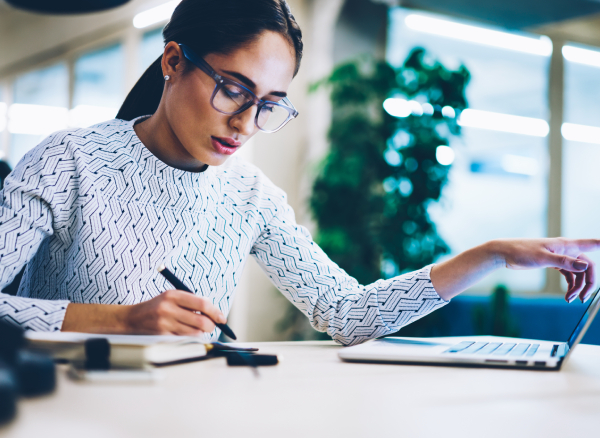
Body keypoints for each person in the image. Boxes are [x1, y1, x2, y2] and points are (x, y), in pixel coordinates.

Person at [0, 0, 597, 345]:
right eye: (233, 90)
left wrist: (493, 254)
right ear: (173, 60)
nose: (245, 123)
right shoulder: (67, 161)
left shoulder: (250, 196)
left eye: (269, 104)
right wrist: (118, 322)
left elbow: (347, 313)